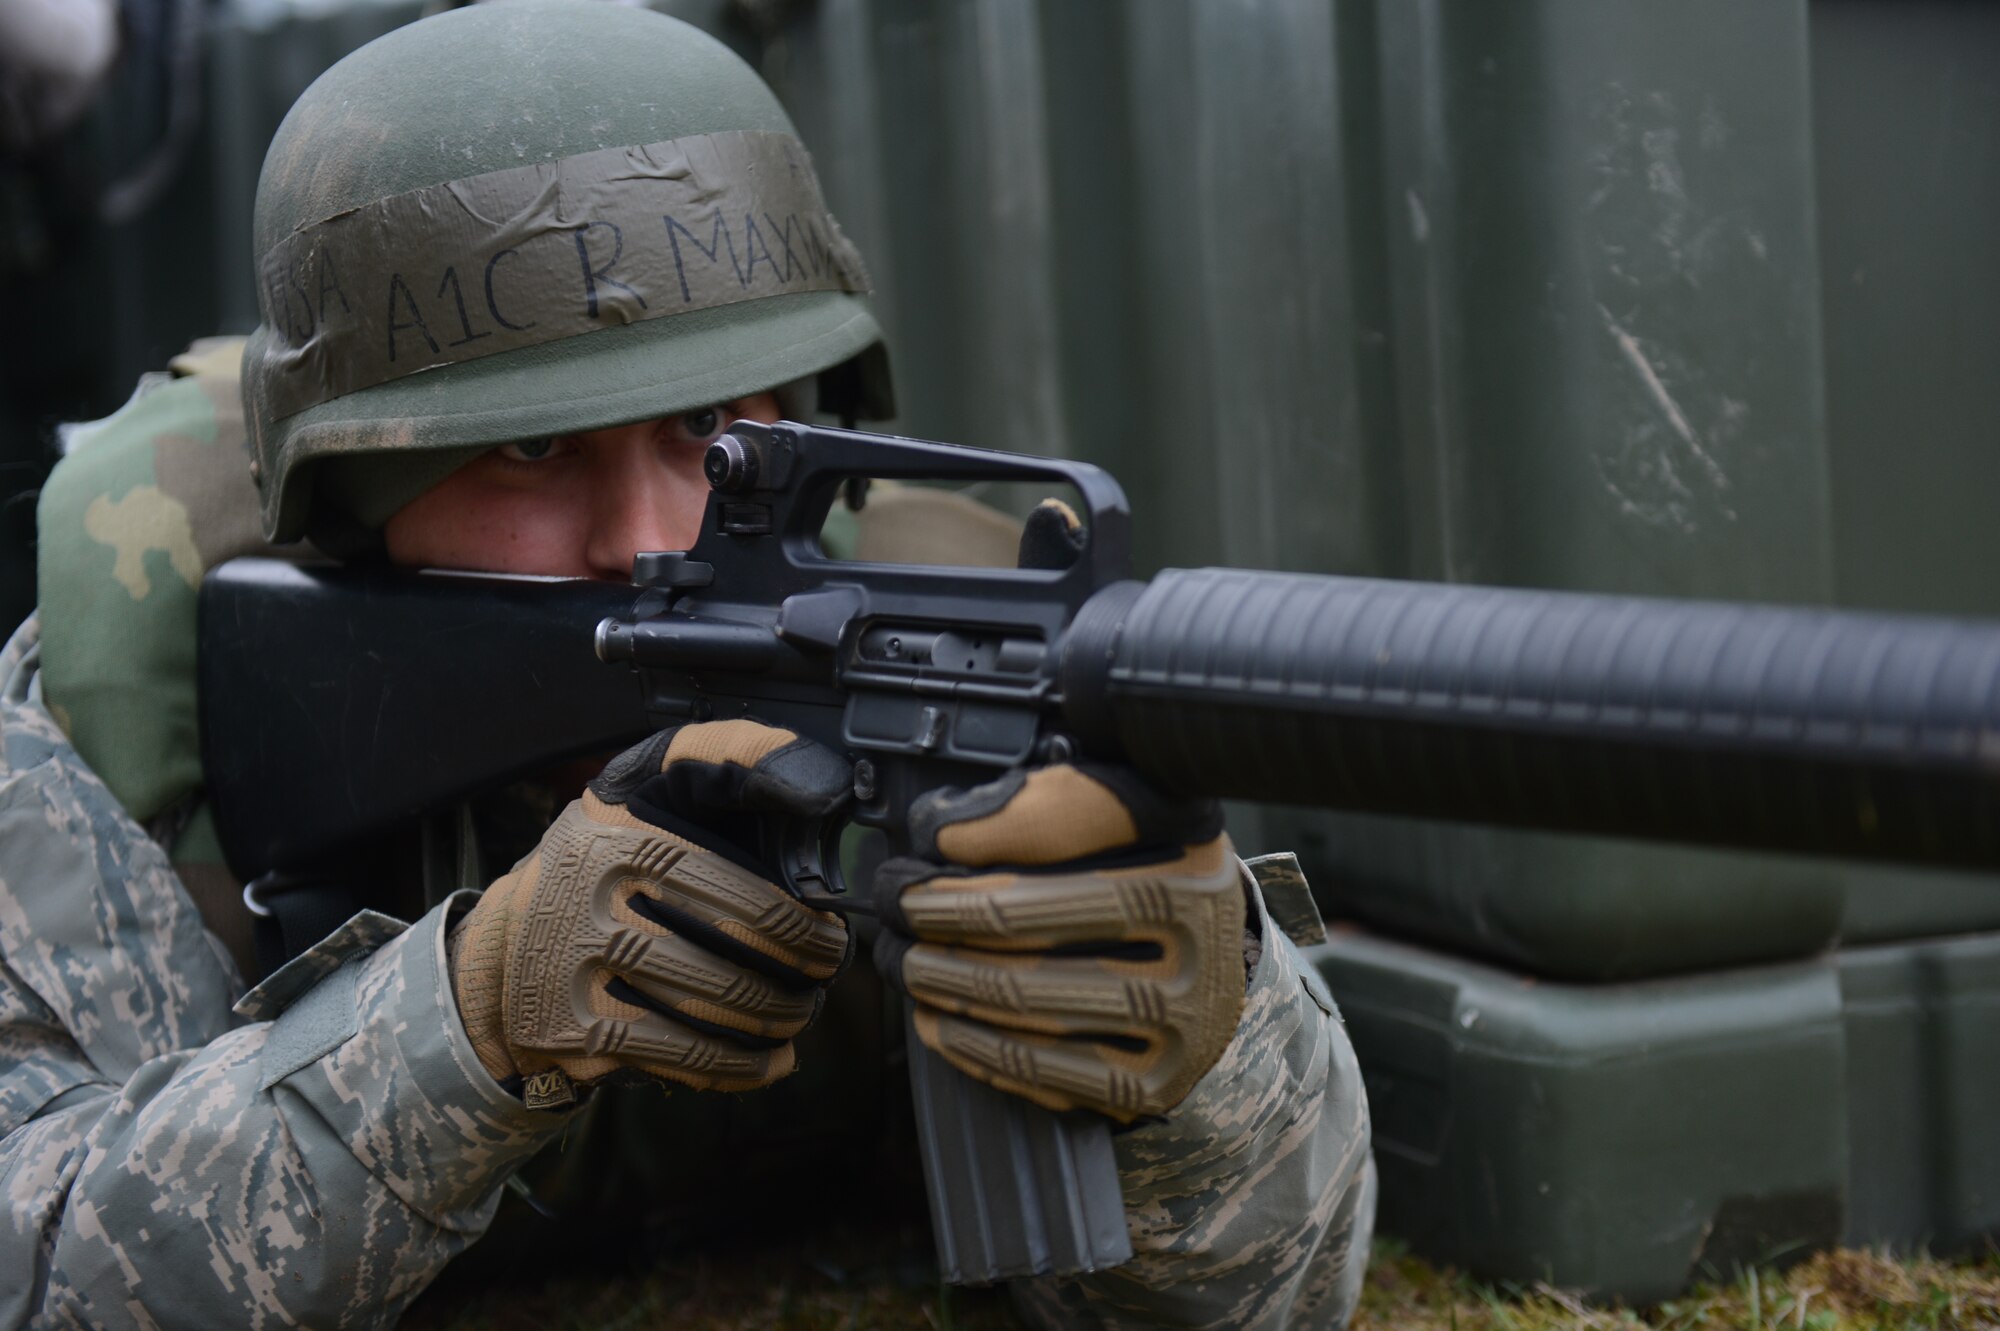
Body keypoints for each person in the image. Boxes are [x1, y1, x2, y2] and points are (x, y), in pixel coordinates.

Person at [0, 4, 1375, 1326]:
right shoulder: (128, 720)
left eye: (710, 429)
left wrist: (1202, 1054)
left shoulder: (943, 635)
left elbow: (1277, 1295)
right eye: (530, 451)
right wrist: (468, 1018)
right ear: (347, 492)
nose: (652, 539)